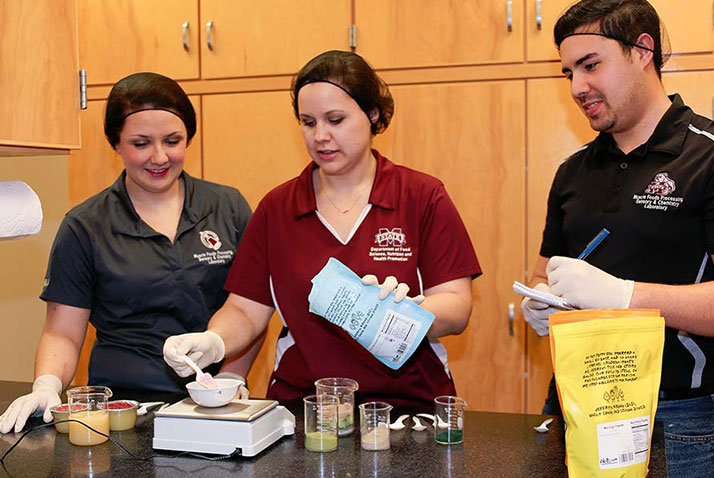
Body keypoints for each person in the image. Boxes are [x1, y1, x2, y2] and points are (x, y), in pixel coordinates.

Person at [520, 0, 714, 478]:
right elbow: (547, 272)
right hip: (577, 401)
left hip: (677, 419)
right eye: (568, 72)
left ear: (642, 51)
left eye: (591, 65)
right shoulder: (573, 172)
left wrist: (626, 296)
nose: (576, 87)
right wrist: (542, 302)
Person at [163, 50, 481, 412]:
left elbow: (457, 306)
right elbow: (245, 310)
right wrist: (214, 341)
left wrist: (405, 313)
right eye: (308, 122)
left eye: (335, 119)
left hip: (407, 406)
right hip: (306, 408)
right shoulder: (278, 208)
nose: (321, 136)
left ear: (372, 114)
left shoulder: (421, 197)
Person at [0, 72, 255, 434]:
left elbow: (251, 308)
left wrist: (232, 376)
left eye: (173, 140)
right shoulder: (85, 225)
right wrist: (47, 385)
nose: (159, 156)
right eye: (140, 143)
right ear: (115, 144)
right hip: (122, 413)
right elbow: (63, 333)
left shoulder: (227, 207)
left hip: (215, 405)